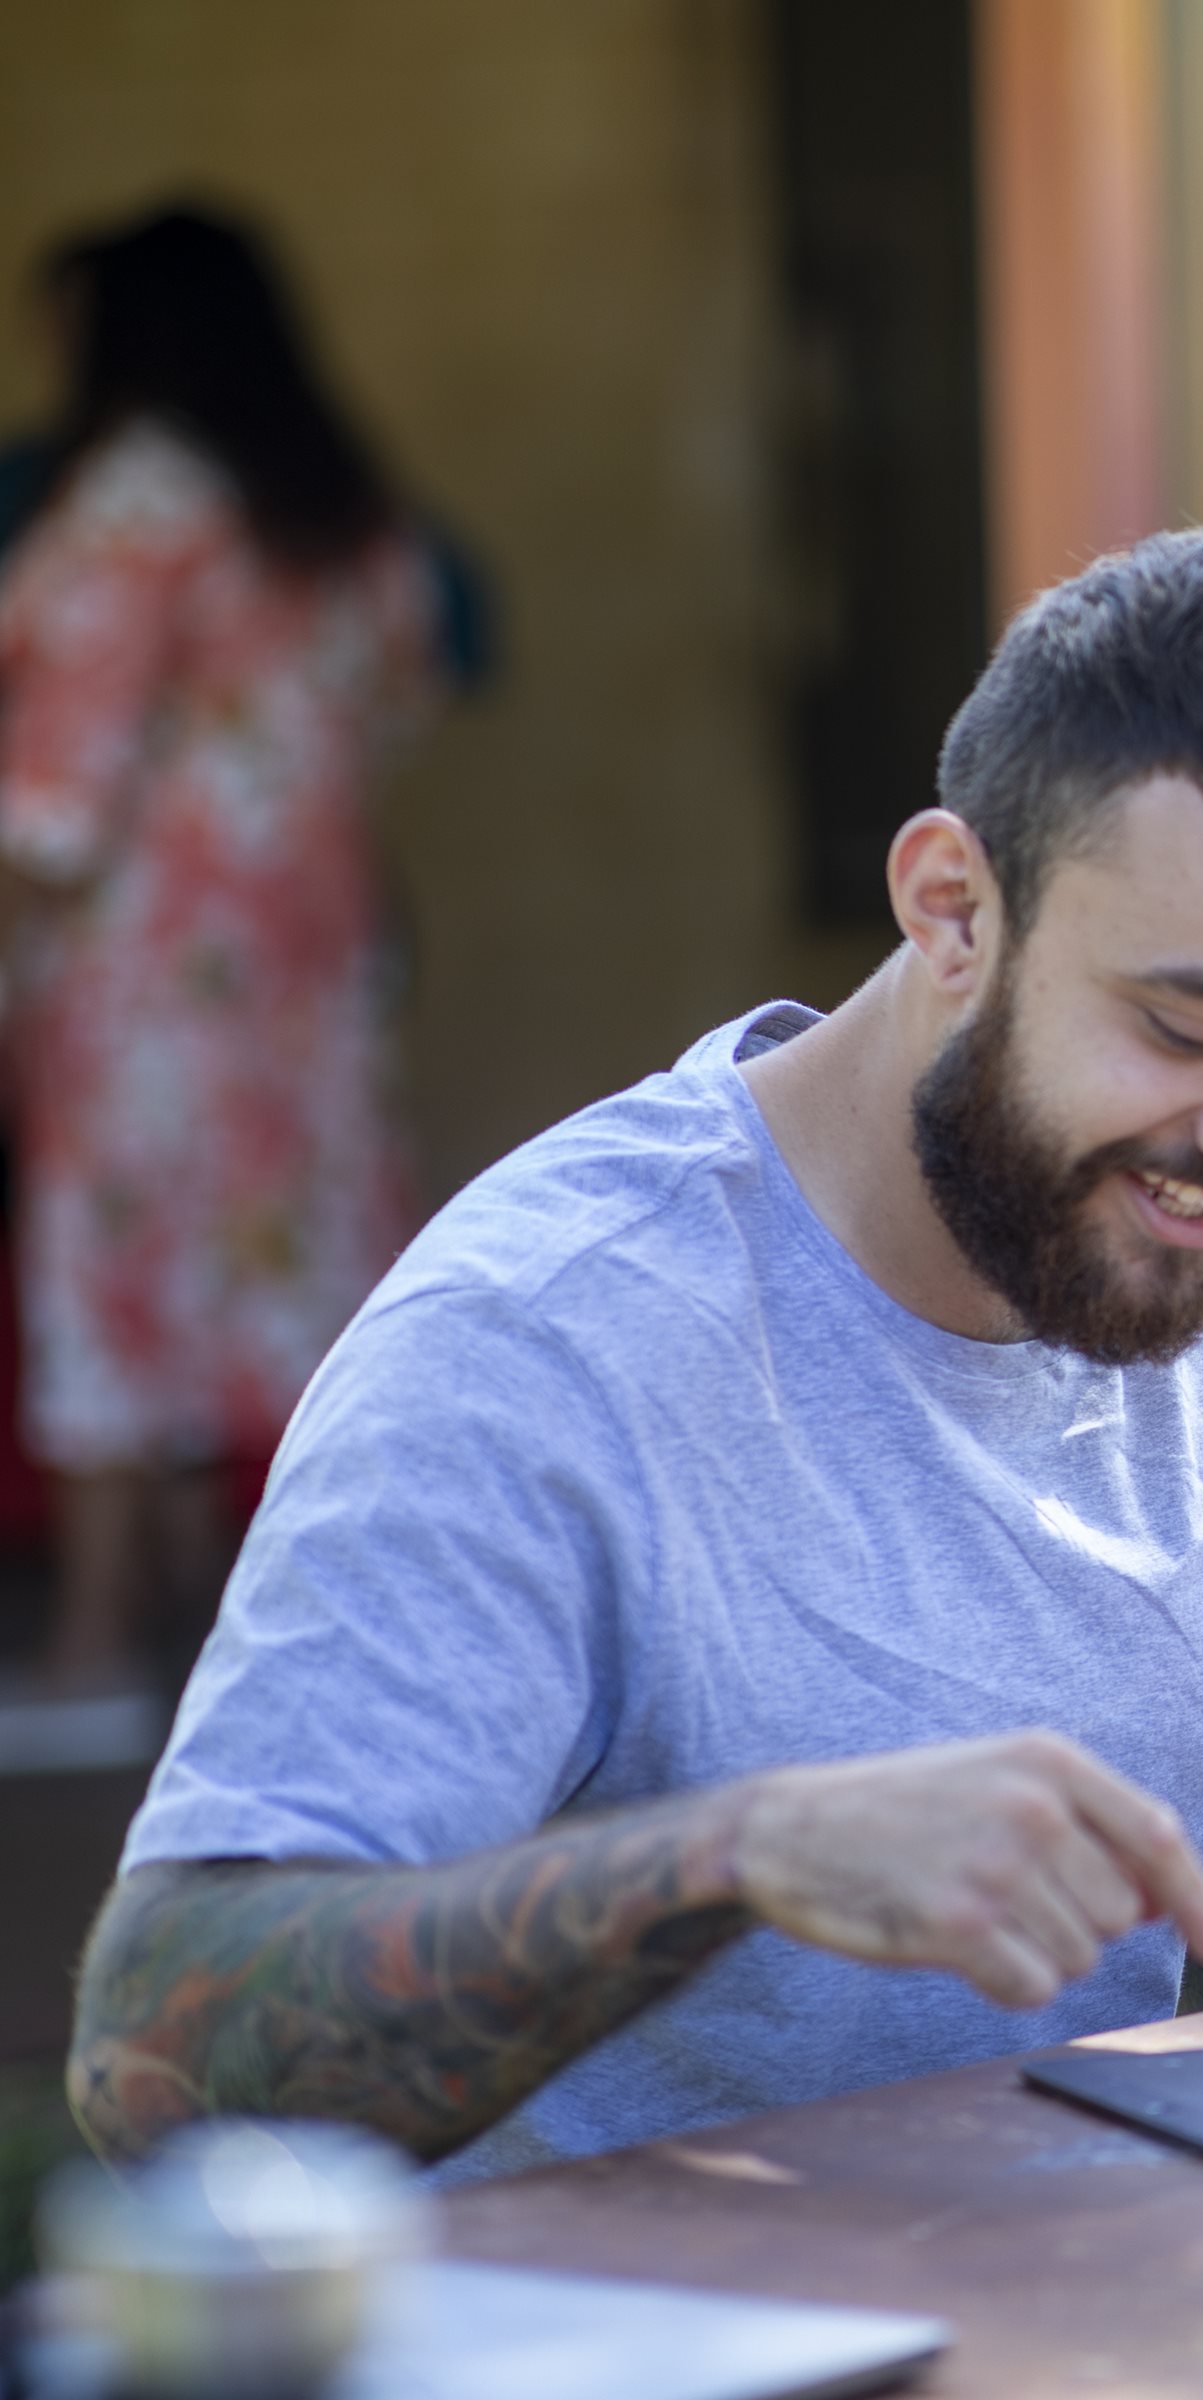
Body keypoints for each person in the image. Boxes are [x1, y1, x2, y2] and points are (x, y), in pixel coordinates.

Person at [67, 527, 1203, 2180]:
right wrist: (735, 1859)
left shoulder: (1189, 1257)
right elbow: (157, 2053)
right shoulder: (544, 1341)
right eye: (1189, 1028)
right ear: (953, 907)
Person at [0, 206, 437, 1688]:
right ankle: (329, 1650)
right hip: (316, 963)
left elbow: (51, 799)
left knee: (116, 1279)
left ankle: (89, 1645)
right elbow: (398, 702)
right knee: (310, 1278)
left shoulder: (133, 505)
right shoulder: (342, 505)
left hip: (147, 975)